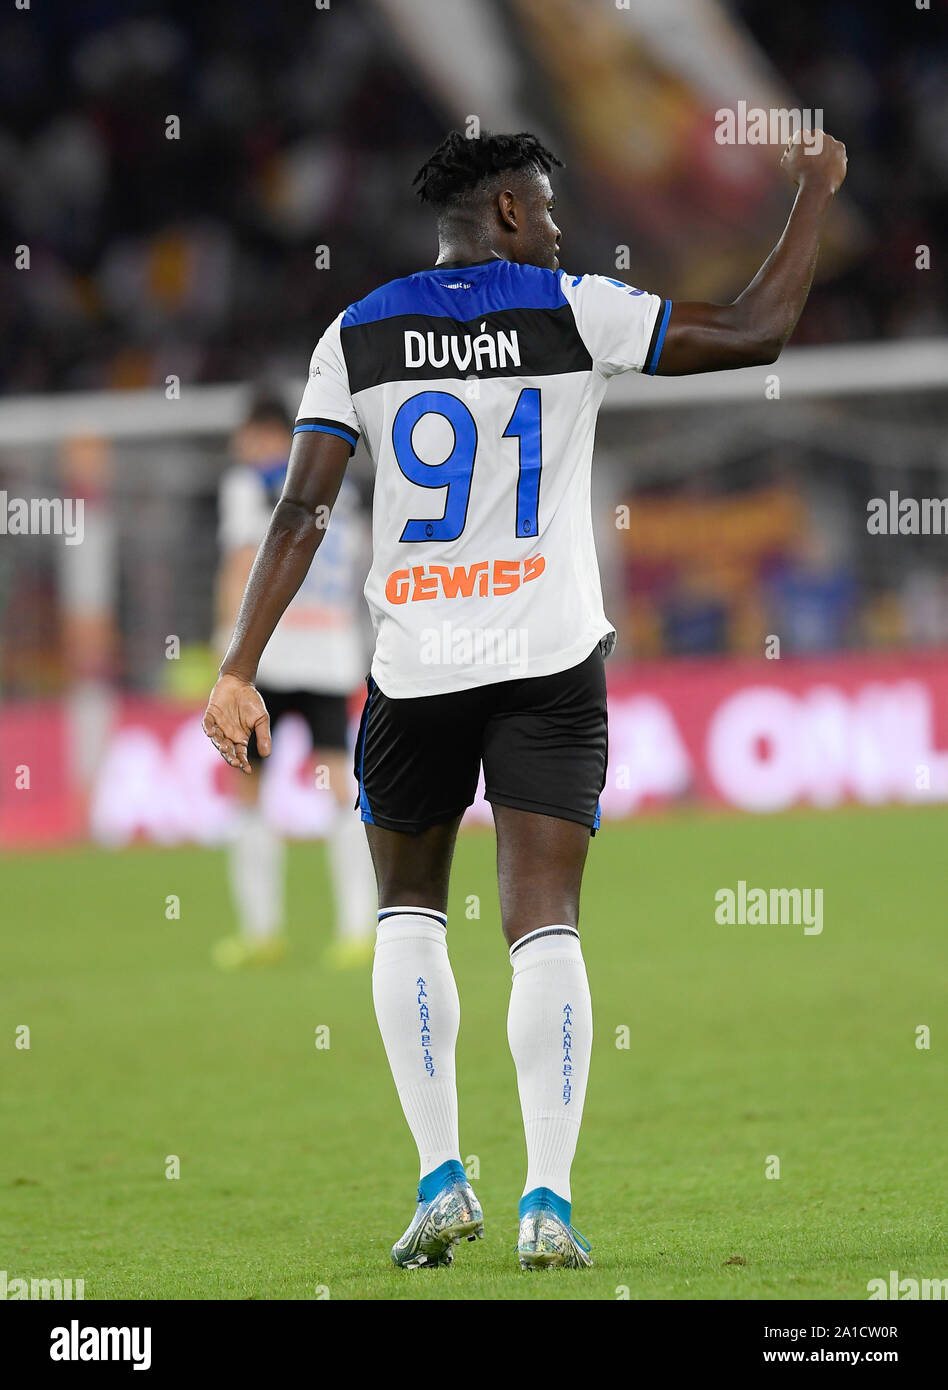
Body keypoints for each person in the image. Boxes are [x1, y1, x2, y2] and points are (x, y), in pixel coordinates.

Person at [203, 127, 847, 1269]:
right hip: (548, 666)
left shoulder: (354, 333)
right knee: (542, 918)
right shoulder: (574, 307)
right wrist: (816, 192)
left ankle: (441, 1178)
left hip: (415, 672)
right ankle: (548, 1199)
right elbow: (756, 329)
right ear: (505, 210)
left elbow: (299, 511)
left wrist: (238, 666)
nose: (558, 226)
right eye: (545, 206)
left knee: (407, 910)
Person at [213, 394, 375, 970]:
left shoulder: (248, 486)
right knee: (340, 787)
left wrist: (227, 661)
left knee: (250, 788)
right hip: (331, 655)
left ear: (266, 434)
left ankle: (262, 934)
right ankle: (357, 930)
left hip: (267, 664)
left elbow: (239, 567)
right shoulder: (343, 491)